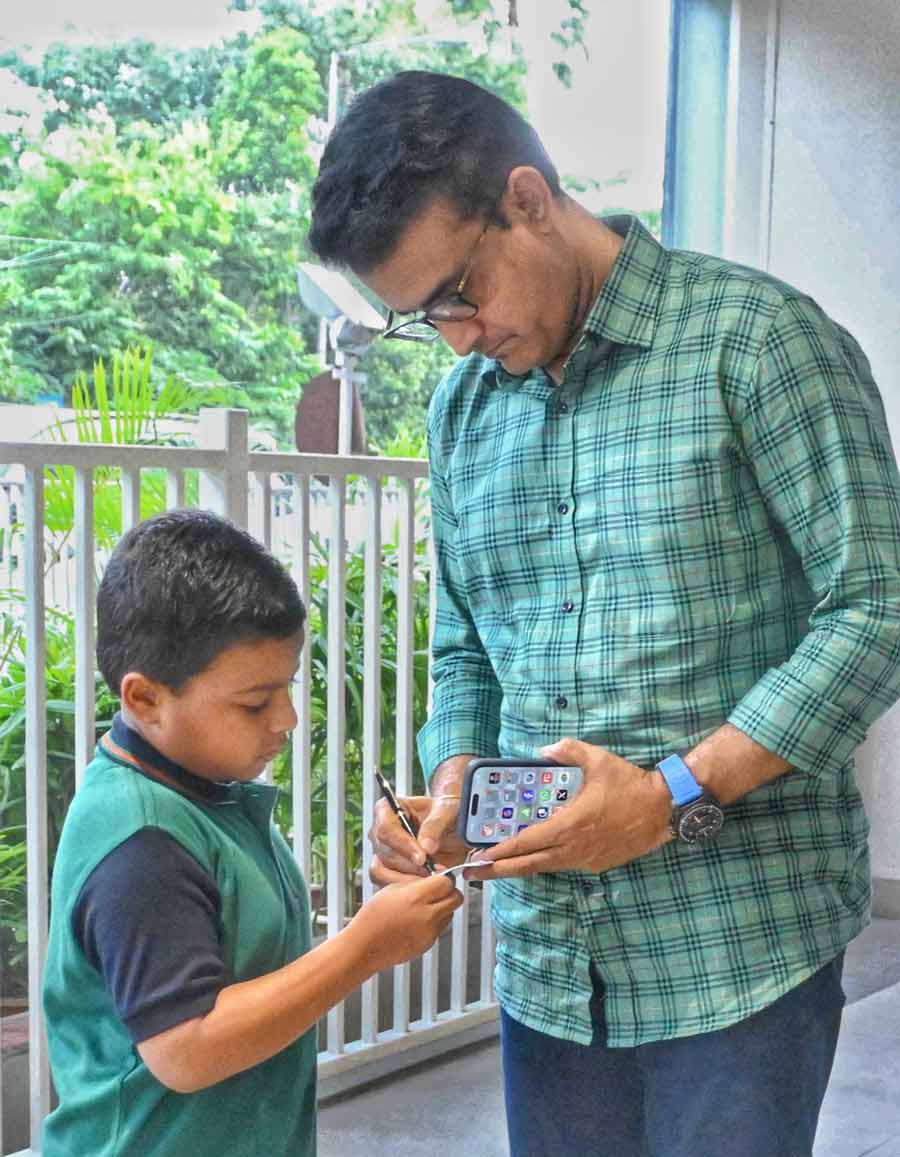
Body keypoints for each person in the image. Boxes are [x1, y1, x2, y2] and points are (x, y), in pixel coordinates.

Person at [307, 70, 900, 1156]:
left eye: (457, 290)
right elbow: (466, 647)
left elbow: (878, 605)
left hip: (739, 951)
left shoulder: (757, 342)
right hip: (546, 962)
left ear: (528, 199)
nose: (454, 335)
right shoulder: (462, 412)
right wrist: (453, 783)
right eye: (418, 318)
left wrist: (675, 790)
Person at [41, 508, 462, 1157]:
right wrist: (362, 948)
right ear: (145, 698)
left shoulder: (203, 794)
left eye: (287, 688)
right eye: (254, 702)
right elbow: (186, 1047)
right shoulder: (142, 837)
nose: (287, 719)